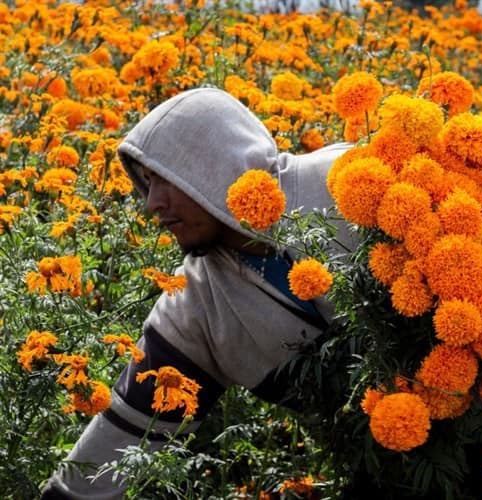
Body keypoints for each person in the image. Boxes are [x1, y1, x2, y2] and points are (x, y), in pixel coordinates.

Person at [41, 87, 352, 499]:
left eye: (164, 178)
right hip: (390, 468)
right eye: (146, 183)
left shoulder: (346, 177)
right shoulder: (194, 306)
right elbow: (118, 439)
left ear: (212, 166)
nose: (152, 204)